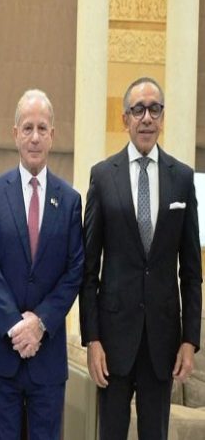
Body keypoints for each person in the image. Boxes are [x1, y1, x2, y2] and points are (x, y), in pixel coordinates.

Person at [80, 77, 202, 439]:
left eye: (154, 109)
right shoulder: (103, 177)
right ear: (125, 119)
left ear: (162, 117)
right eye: (138, 110)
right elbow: (89, 270)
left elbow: (191, 272)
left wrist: (189, 340)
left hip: (162, 343)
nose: (146, 117)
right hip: (113, 342)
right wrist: (92, 339)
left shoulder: (182, 179)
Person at [0, 89, 84, 439]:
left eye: (41, 128)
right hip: (3, 351)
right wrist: (16, 325)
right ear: (15, 134)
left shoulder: (70, 201)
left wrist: (39, 323)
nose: (34, 137)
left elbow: (74, 272)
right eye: (27, 128)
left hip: (47, 354)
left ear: (52, 135)